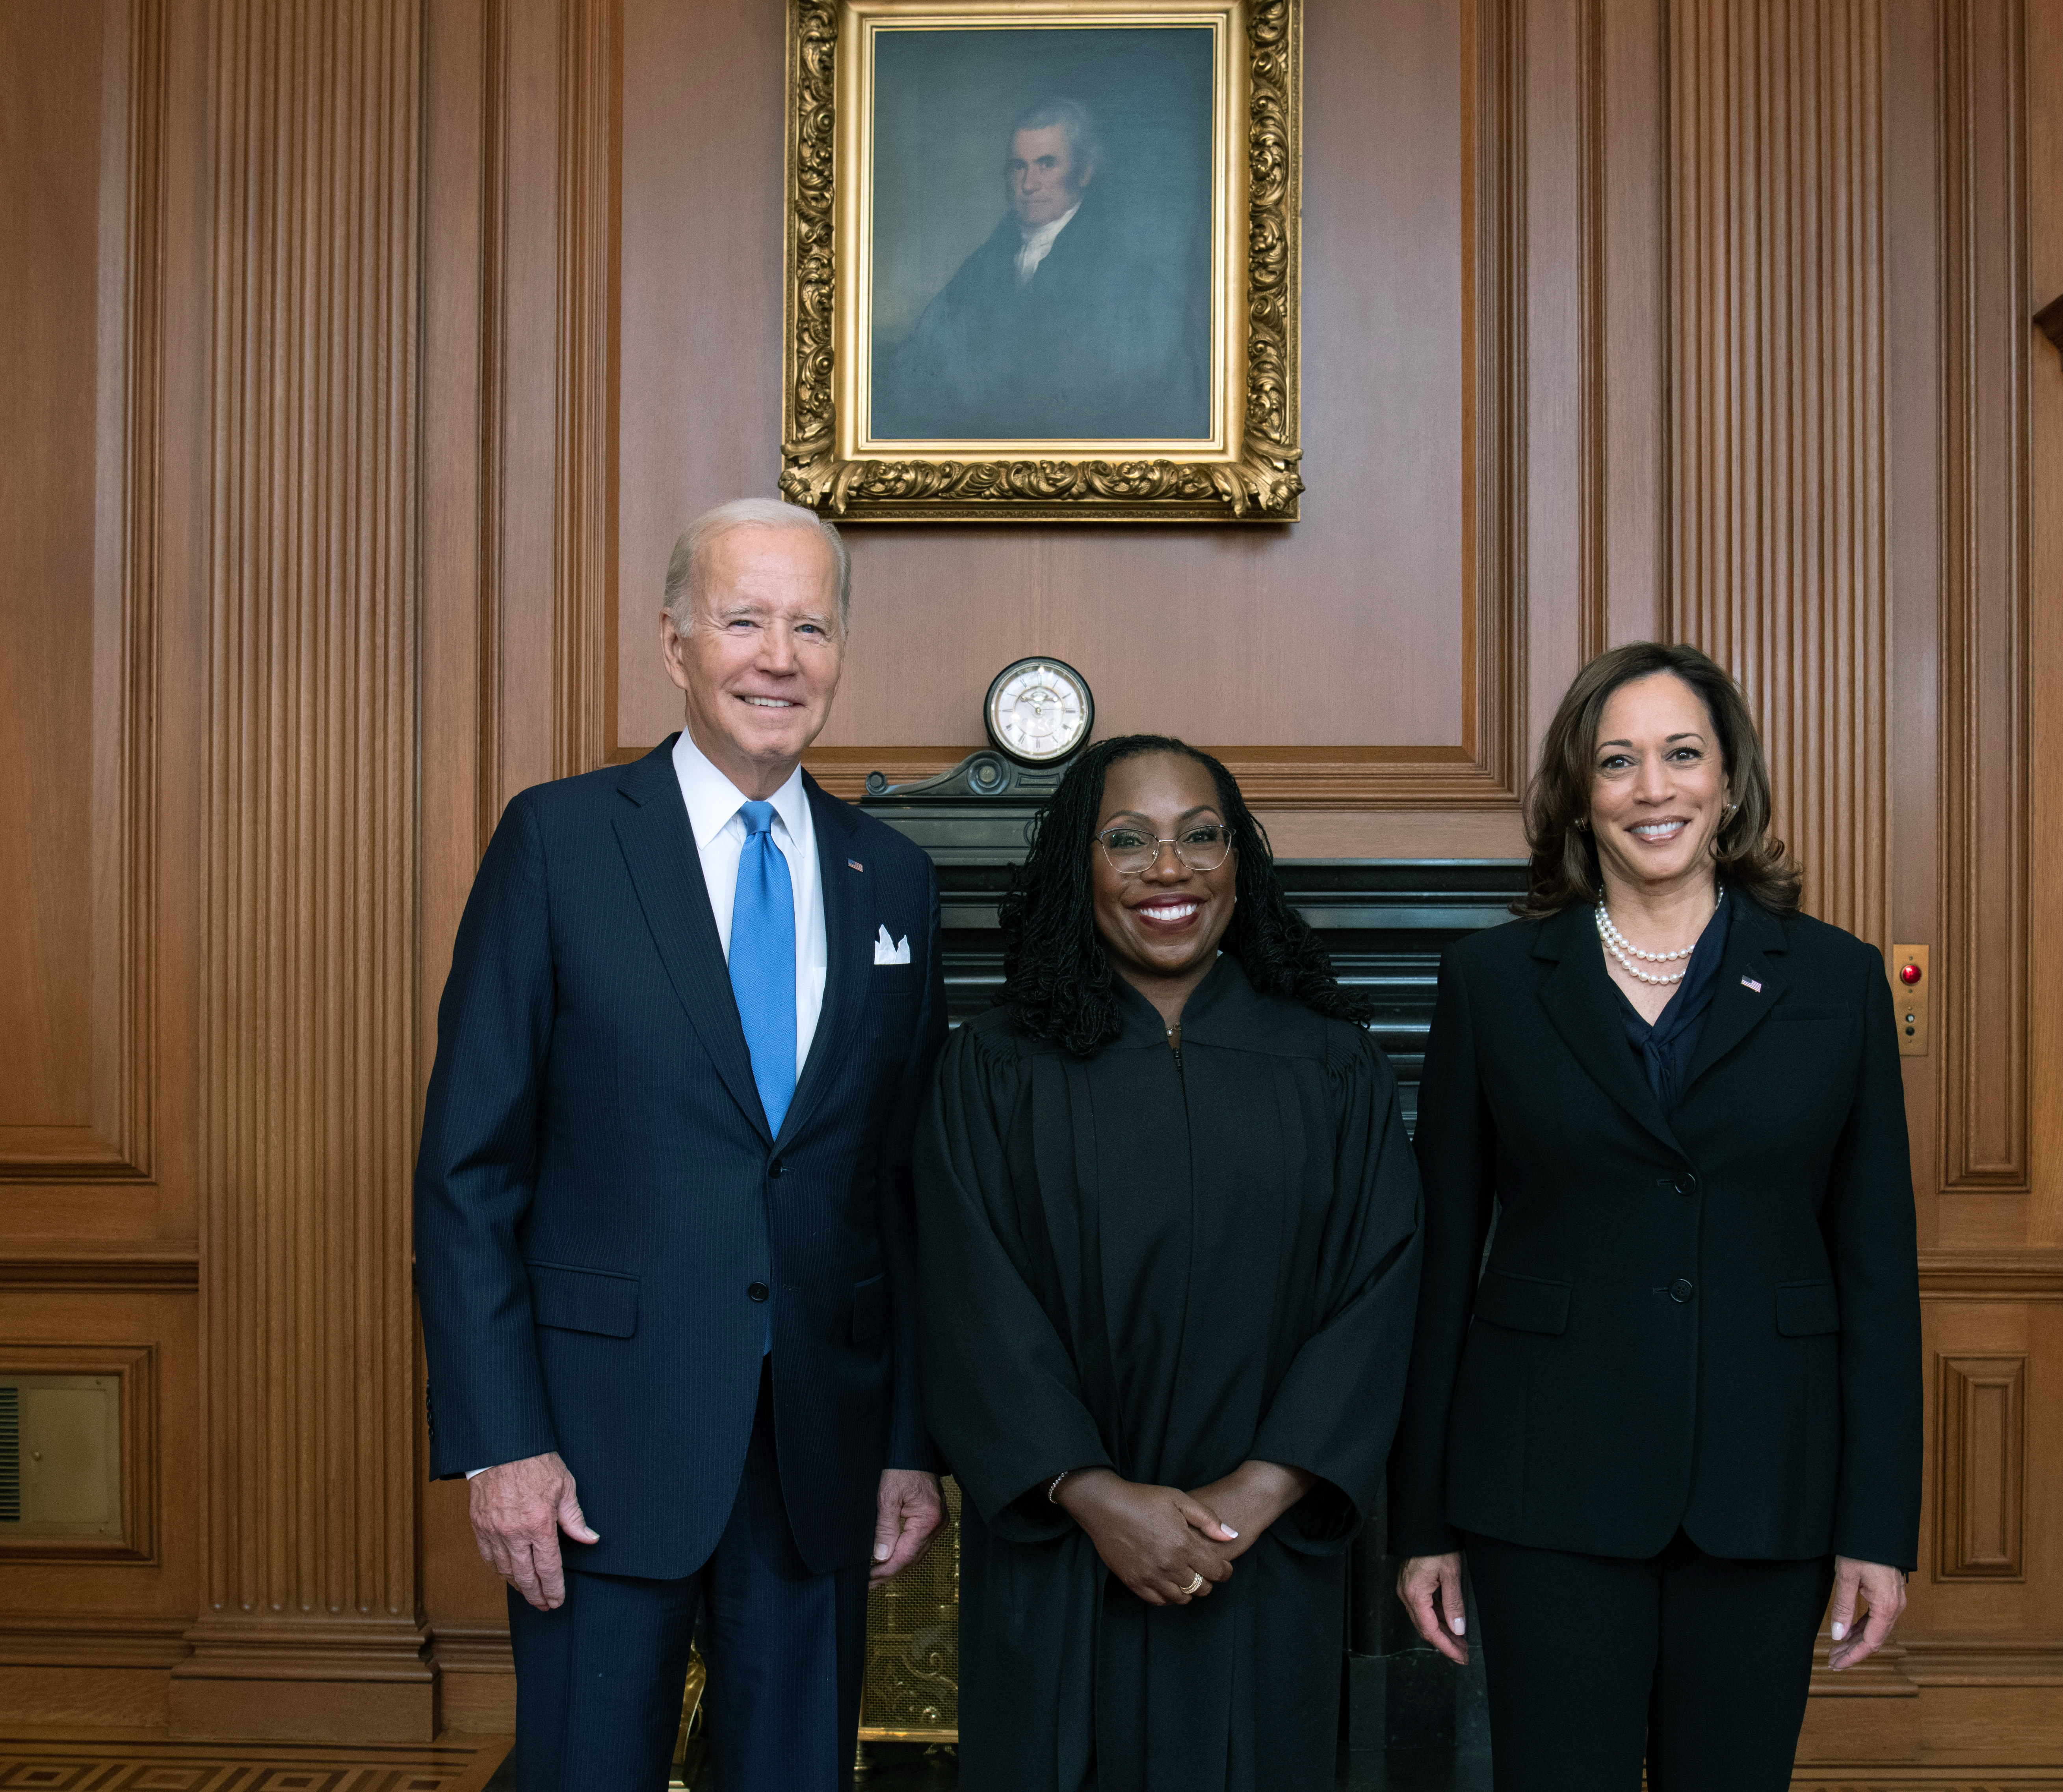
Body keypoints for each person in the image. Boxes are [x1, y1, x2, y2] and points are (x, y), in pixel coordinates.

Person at [413, 498, 949, 1792]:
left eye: (810, 624)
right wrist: (503, 1439)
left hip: (816, 1451)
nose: (780, 656)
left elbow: (904, 1190)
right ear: (674, 643)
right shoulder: (559, 839)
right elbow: (468, 1168)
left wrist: (906, 1439)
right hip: (594, 1449)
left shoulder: (896, 875)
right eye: (744, 618)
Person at [1386, 642, 1922, 1791]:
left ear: (1728, 782)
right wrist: (1420, 1519)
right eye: (1616, 761)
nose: (1651, 788)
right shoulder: (1489, 982)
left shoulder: (1834, 982)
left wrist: (1875, 1525)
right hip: (1543, 1480)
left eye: (1680, 755)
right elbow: (1437, 1265)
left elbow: (1875, 1269)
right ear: (1579, 793)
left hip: (1766, 1476)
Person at [914, 736, 1422, 1790]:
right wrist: (1092, 1492)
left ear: (1240, 860)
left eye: (1200, 835)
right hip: (1061, 1552)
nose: (1169, 867)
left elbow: (1380, 1289)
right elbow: (968, 1295)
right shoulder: (995, 1067)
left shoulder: (1330, 1067)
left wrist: (1258, 1490)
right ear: (1076, 865)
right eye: (1126, 838)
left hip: (1263, 1554)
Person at [877, 97, 1208, 441]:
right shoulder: (980, 269)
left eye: (1046, 164)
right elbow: (916, 370)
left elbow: (1149, 403)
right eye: (1019, 166)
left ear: (1084, 171)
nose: (1028, 184)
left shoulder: (1132, 284)